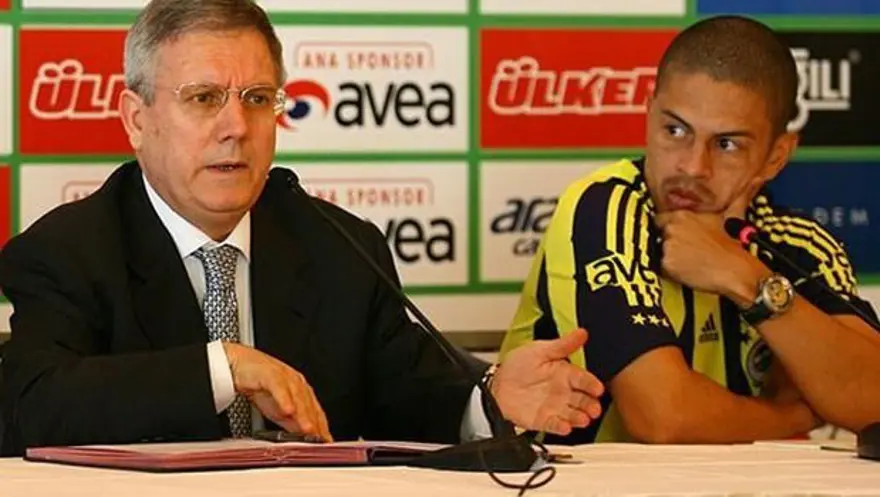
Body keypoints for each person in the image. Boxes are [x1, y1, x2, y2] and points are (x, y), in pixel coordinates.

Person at [0, 0, 605, 456]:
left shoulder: (338, 245)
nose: (237, 127)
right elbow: (28, 408)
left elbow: (406, 396)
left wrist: (488, 400)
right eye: (204, 98)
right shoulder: (68, 251)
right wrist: (224, 369)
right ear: (137, 119)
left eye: (257, 98)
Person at [500, 15, 880, 445]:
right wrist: (792, 414)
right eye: (675, 130)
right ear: (649, 114)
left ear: (776, 156)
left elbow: (874, 402)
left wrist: (744, 279)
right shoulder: (605, 207)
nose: (693, 166)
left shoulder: (799, 241)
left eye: (726, 144)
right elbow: (664, 417)